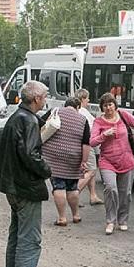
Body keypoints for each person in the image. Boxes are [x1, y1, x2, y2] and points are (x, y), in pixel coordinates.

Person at [0, 81, 53, 267]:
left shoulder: (18, 118)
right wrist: (46, 170)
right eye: (44, 96)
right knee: (29, 239)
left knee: (16, 237)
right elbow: (30, 155)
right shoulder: (27, 121)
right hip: (26, 187)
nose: (46, 99)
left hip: (13, 186)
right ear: (36, 99)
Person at [89, 92, 134, 235]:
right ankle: (110, 221)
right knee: (111, 188)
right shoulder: (98, 122)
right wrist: (104, 135)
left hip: (126, 160)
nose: (108, 107)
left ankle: (123, 220)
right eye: (105, 105)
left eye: (110, 104)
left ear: (115, 105)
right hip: (107, 161)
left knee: (125, 193)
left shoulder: (123, 115)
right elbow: (92, 141)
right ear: (102, 107)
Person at [42, 97, 92, 227]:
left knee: (58, 186)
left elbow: (40, 124)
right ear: (77, 107)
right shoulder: (82, 119)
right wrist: (84, 161)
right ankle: (76, 215)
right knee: (72, 187)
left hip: (53, 156)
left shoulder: (55, 111)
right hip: (73, 157)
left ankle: (62, 218)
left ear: (65, 105)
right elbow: (86, 143)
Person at [72, 89, 103, 206]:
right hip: (86, 144)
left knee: (88, 169)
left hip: (77, 144)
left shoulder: (77, 111)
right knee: (91, 170)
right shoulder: (84, 112)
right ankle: (74, 194)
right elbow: (92, 127)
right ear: (82, 99)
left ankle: (93, 195)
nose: (89, 101)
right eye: (87, 98)